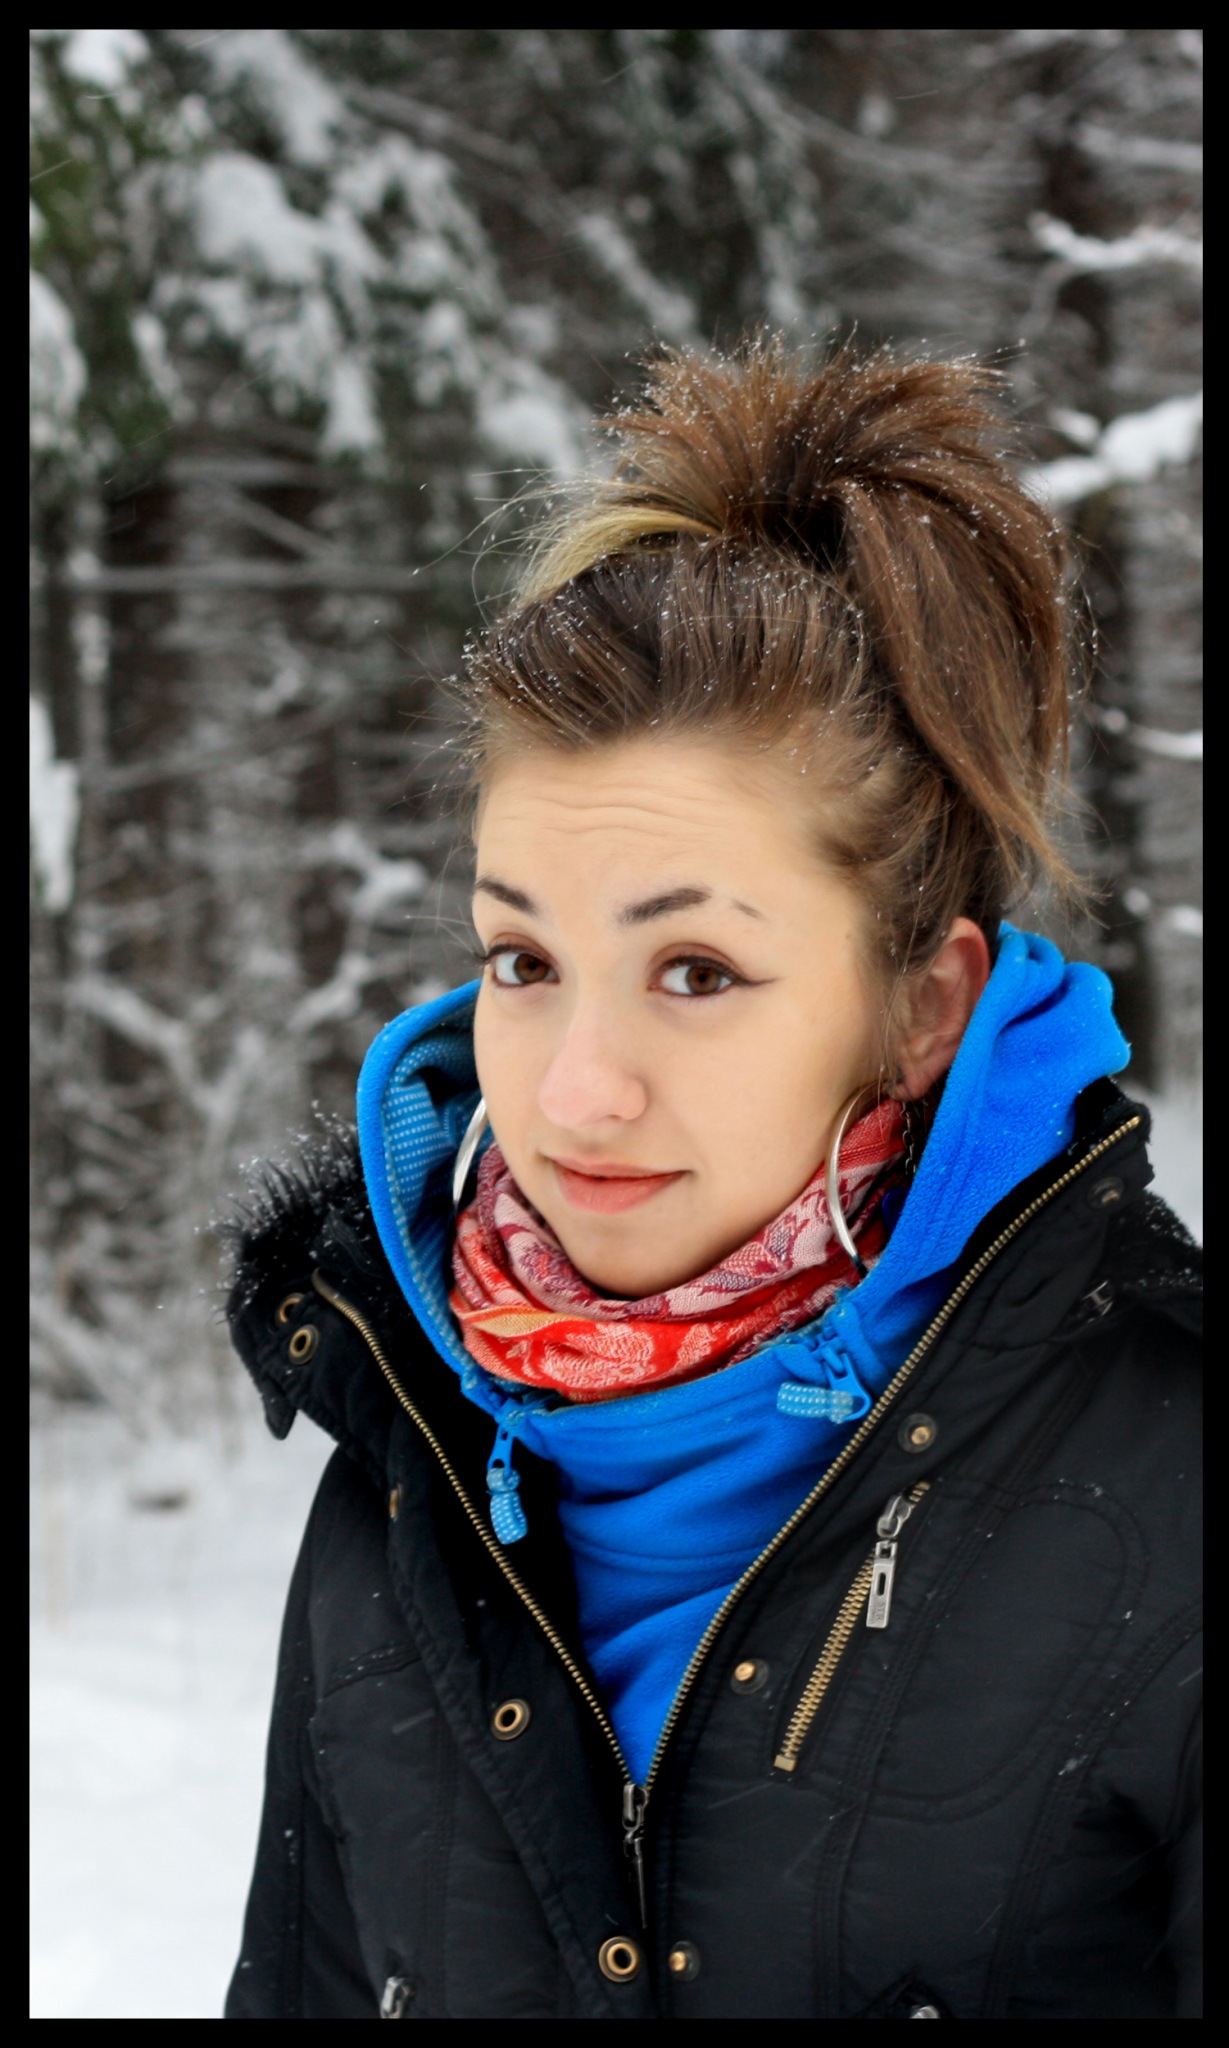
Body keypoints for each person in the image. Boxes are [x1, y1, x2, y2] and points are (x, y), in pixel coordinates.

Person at [223, 341, 1201, 2020]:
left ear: (922, 1005)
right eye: (522, 961)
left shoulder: (1171, 1481)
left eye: (695, 971)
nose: (574, 1090)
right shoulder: (408, 1462)